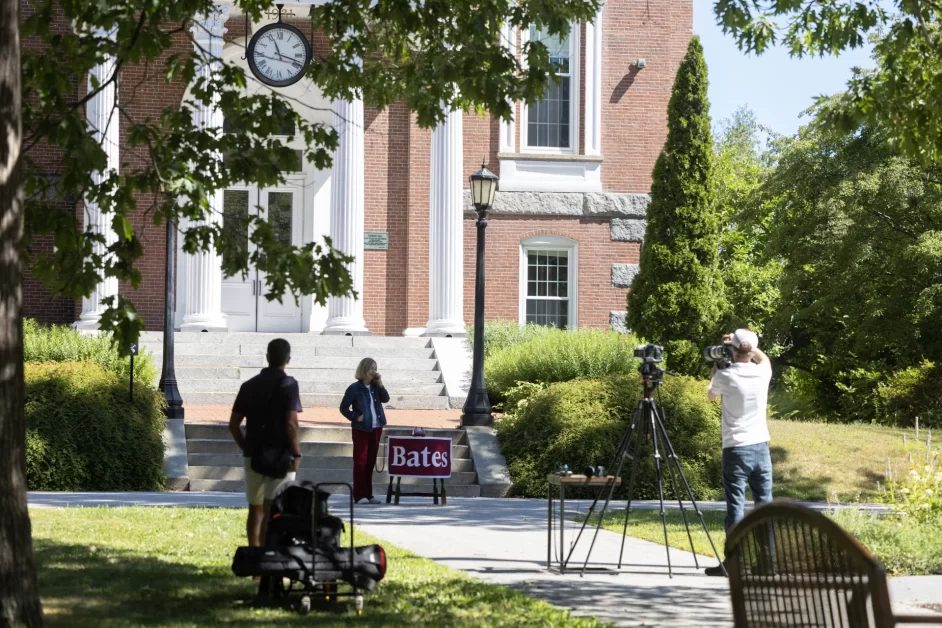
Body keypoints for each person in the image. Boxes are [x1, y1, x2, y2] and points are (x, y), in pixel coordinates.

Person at [704, 328, 773, 577]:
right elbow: (763, 358)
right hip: (761, 447)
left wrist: (717, 363)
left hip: (736, 449)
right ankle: (768, 562)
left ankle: (734, 562)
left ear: (732, 350)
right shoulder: (763, 372)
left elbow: (711, 396)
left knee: (736, 506)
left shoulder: (726, 376)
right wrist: (746, 347)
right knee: (764, 505)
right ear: (751, 350)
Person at [228, 338, 302, 547]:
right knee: (273, 510)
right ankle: (269, 555)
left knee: (255, 508)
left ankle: (254, 557)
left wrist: (246, 447)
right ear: (288, 359)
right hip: (281, 455)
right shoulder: (289, 385)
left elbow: (233, 425)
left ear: (267, 356)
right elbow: (291, 423)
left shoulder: (249, 385)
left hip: (254, 454)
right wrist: (296, 453)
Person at [339, 357, 389, 505]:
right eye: (371, 368)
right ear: (364, 369)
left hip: (376, 427)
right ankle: (359, 495)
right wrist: (355, 416)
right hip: (361, 429)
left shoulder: (375, 386)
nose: (374, 371)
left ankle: (369, 495)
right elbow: (343, 408)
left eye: (375, 368)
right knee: (360, 461)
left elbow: (386, 399)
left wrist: (380, 384)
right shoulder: (354, 388)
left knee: (370, 462)